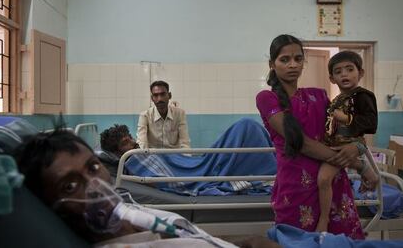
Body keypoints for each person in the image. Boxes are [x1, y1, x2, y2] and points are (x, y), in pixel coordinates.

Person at [14, 129, 279, 247]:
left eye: (94, 167)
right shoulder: (136, 160)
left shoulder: (131, 212)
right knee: (245, 130)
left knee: (244, 131)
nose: (95, 188)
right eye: (70, 185)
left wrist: (247, 243)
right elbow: (171, 178)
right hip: (191, 175)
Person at [256, 34, 375, 239]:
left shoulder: (319, 96)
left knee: (341, 243)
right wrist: (360, 165)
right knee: (296, 242)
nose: (292, 65)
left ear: (304, 62)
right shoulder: (267, 98)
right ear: (272, 64)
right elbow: (301, 143)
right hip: (295, 188)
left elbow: (345, 131)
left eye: (298, 59)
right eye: (284, 59)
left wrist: (358, 147)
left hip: (332, 183)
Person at [101, 118, 276, 196]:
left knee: (247, 128)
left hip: (199, 163)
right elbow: (163, 180)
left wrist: (192, 161)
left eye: (129, 137)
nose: (132, 142)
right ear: (117, 152)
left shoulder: (137, 154)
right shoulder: (133, 159)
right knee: (246, 127)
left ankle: (276, 167)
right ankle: (275, 171)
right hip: (198, 172)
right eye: (125, 142)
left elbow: (182, 148)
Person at [316, 51, 379, 232]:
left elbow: (371, 123)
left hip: (354, 143)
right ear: (332, 78)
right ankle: (365, 169)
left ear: (361, 73)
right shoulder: (336, 100)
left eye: (350, 69)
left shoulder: (363, 96)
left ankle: (323, 221)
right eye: (338, 71)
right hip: (336, 144)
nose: (344, 74)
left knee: (323, 179)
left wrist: (345, 118)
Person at [137, 80, 190, 149]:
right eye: (156, 95)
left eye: (163, 94)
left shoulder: (179, 114)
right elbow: (142, 143)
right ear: (152, 98)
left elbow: (185, 142)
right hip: (154, 157)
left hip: (174, 156)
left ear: (169, 95)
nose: (160, 99)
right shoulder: (145, 116)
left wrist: (186, 158)